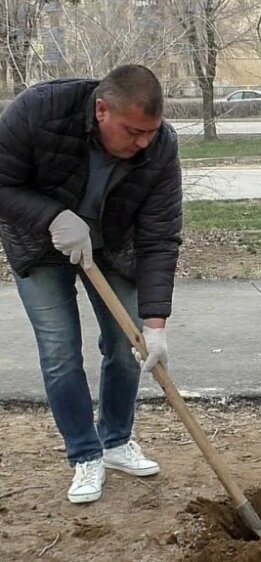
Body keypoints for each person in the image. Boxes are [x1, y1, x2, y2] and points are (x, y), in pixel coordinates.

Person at [0, 65, 182, 503]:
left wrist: (155, 324)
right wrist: (52, 217)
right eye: (133, 132)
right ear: (102, 110)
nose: (143, 143)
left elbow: (159, 237)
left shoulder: (160, 146)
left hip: (113, 245)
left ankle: (116, 441)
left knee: (127, 346)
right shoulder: (40, 111)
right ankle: (85, 453)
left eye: (150, 132)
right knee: (60, 350)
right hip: (40, 241)